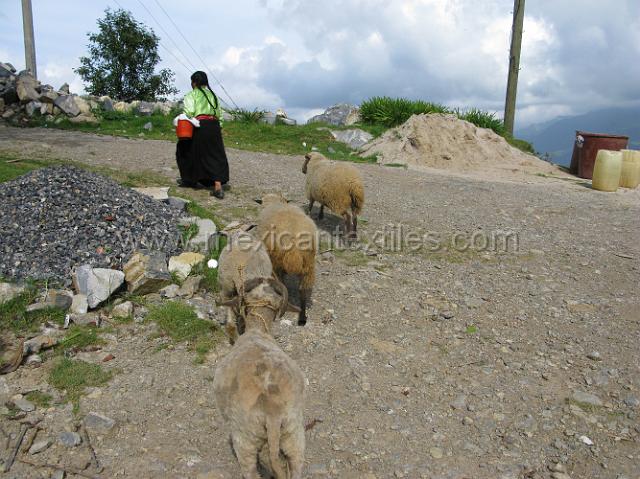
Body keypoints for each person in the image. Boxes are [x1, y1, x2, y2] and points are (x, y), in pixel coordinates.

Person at [176, 71, 229, 199]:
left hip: (200, 125)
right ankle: (217, 186)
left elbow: (189, 112)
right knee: (215, 154)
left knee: (185, 150)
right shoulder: (214, 96)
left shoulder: (192, 94)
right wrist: (216, 127)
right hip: (215, 126)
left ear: (194, 82)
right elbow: (220, 115)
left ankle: (190, 180)